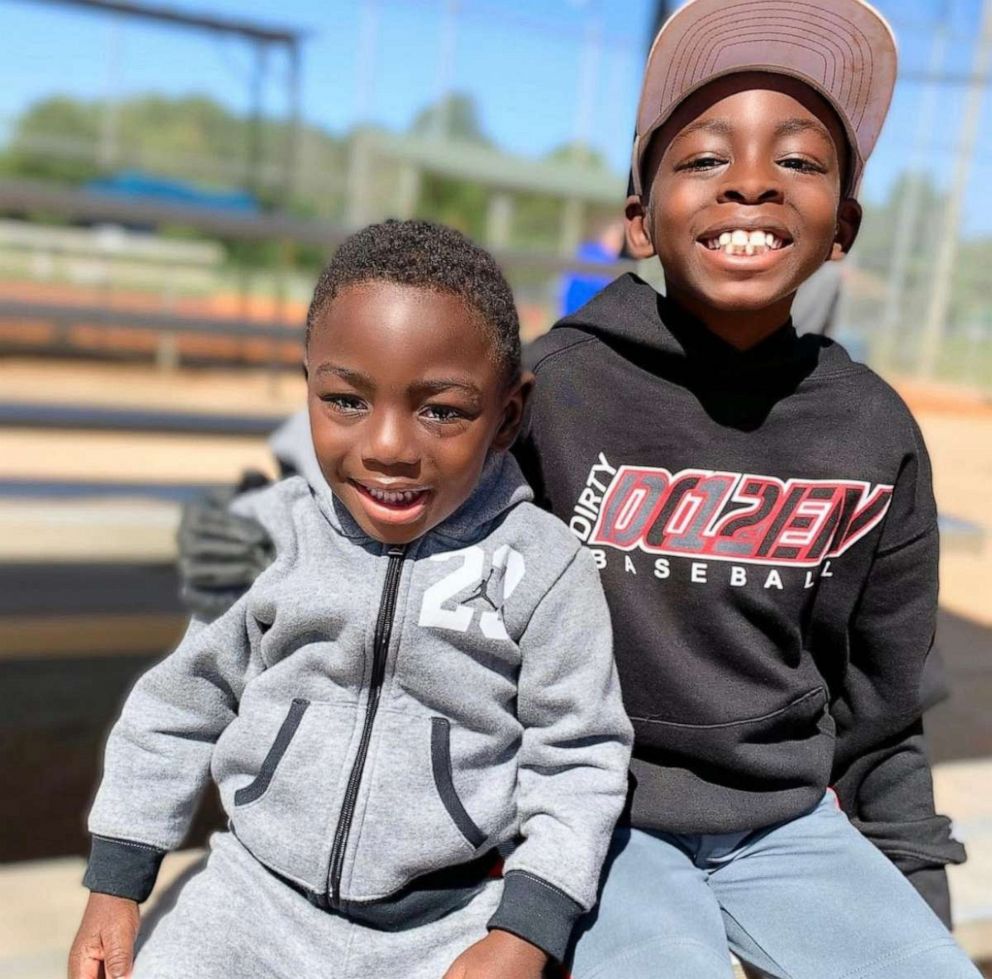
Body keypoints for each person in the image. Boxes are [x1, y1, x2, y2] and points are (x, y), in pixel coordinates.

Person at [176, 1, 977, 975]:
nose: (754, 181)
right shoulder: (552, 387)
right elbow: (387, 475)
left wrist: (915, 902)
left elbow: (881, 708)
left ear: (841, 223)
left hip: (786, 828)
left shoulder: (873, 432)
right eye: (703, 158)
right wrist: (262, 518)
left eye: (800, 162)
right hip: (595, 811)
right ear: (637, 217)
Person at [68, 220, 633, 979]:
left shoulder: (546, 567)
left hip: (447, 923)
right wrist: (115, 886)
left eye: (441, 410)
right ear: (307, 387)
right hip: (251, 898)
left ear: (507, 416)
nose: (389, 445)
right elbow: (177, 706)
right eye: (345, 400)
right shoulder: (261, 536)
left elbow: (580, 760)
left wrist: (525, 931)